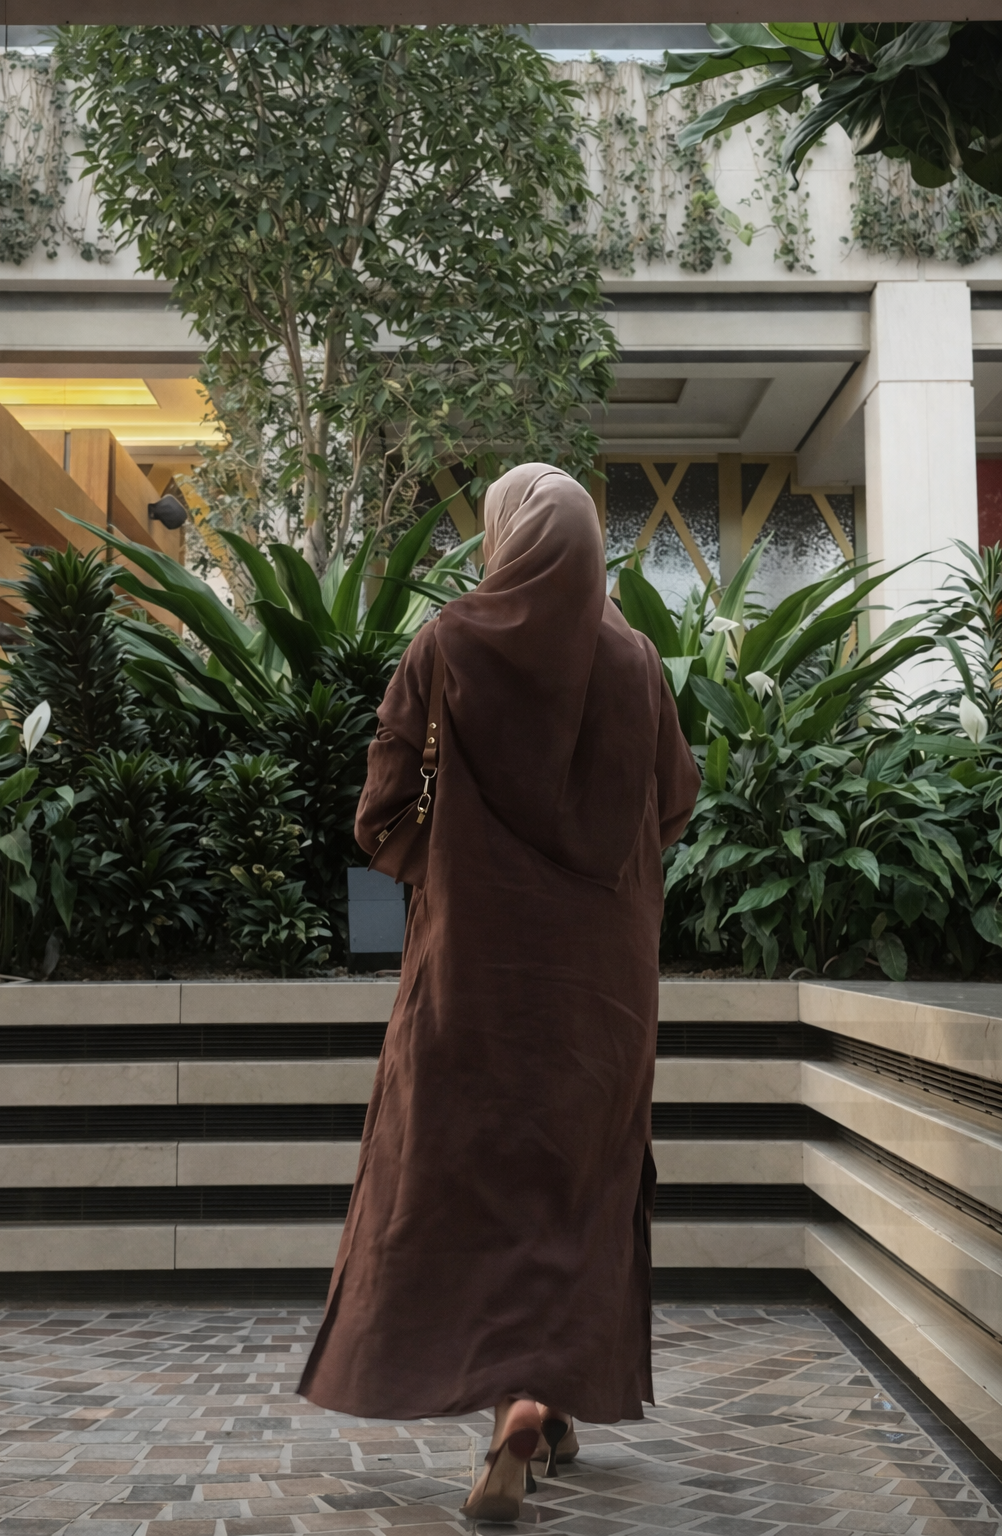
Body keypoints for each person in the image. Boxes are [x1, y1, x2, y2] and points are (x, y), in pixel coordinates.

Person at [298, 463, 701, 1521]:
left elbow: (381, 810)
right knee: (577, 1190)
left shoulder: (447, 642)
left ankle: (515, 1402)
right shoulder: (636, 662)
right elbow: (672, 803)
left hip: (472, 977)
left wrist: (451, 857)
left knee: (473, 1185)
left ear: (504, 535)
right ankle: (537, 1402)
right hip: (602, 994)